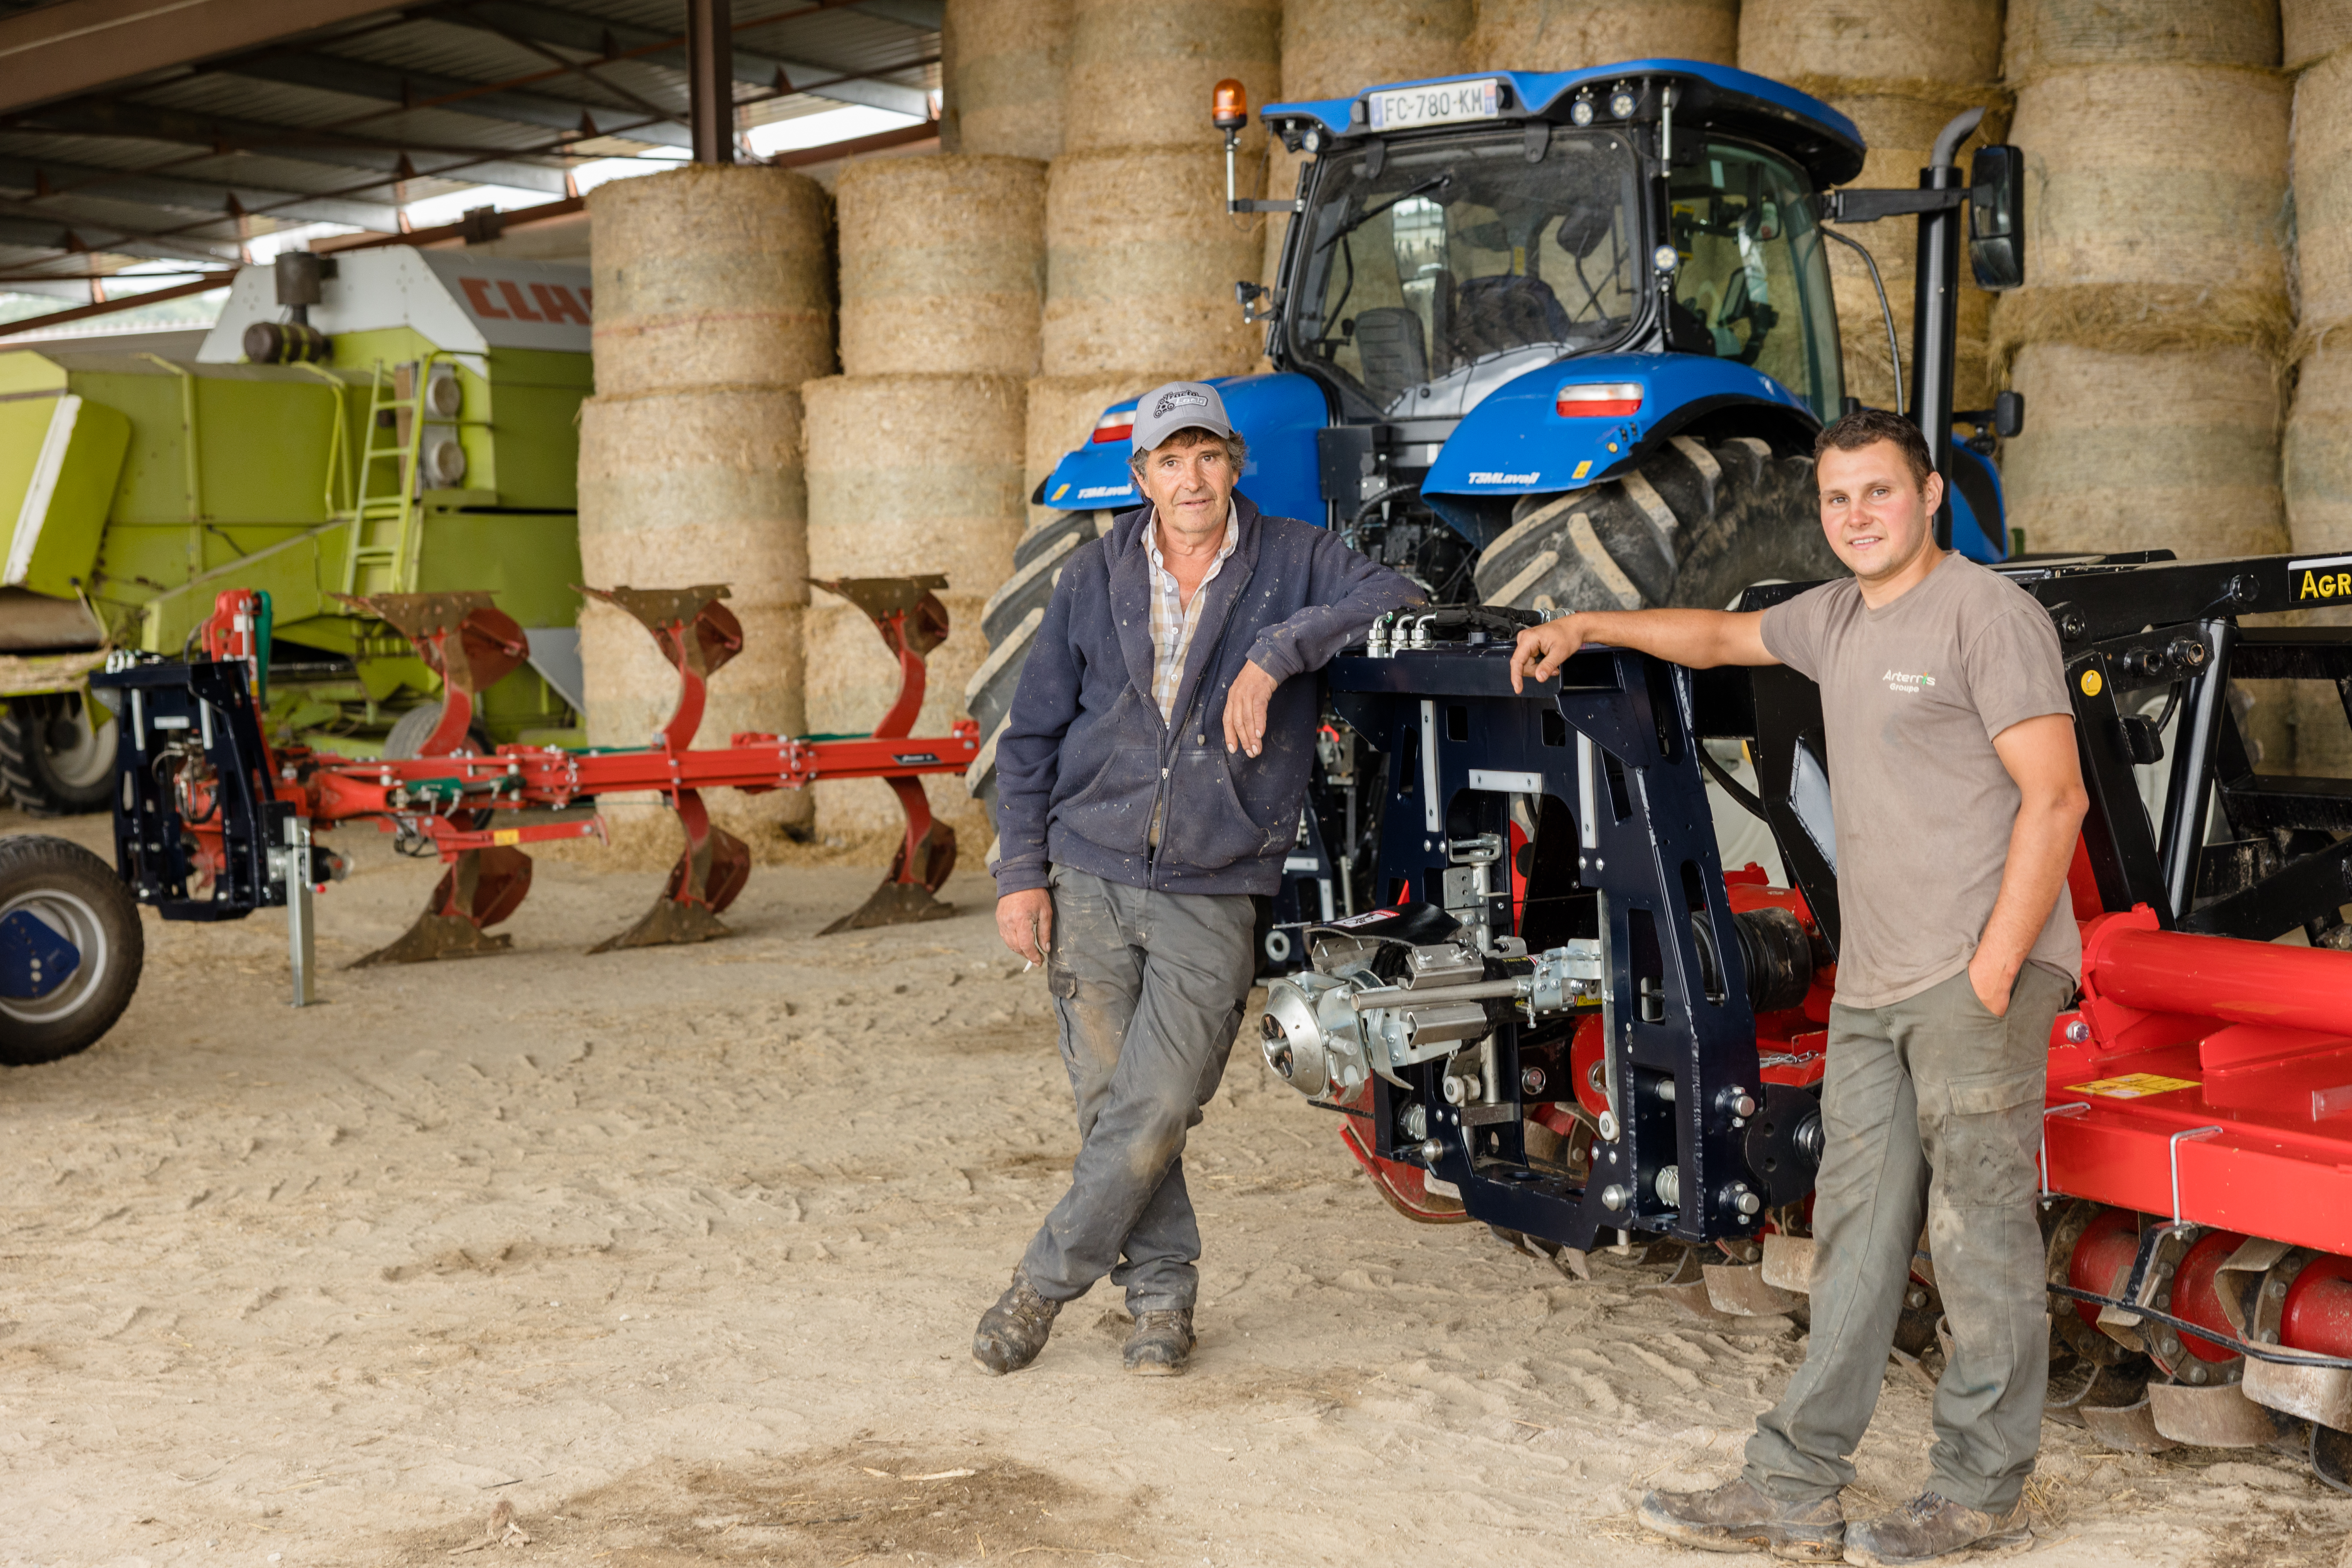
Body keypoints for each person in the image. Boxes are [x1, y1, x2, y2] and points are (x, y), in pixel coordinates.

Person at [1509, 408, 2088, 1567]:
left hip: (1977, 978)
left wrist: (1989, 972)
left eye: (1878, 493)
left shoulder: (1990, 616)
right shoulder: (1836, 617)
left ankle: (1981, 1491)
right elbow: (1718, 642)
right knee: (1856, 1236)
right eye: (1837, 500)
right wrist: (1584, 620)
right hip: (1875, 986)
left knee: (1977, 1239)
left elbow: (2057, 800)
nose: (1857, 517)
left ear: (1929, 497)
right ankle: (1794, 1483)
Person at [975, 381, 1422, 1378]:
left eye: (1208, 455)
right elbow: (1034, 734)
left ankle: (1040, 1287)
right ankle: (1162, 1300)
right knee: (1117, 1112)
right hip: (1087, 873)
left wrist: (1278, 651)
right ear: (1140, 478)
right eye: (1169, 460)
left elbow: (1398, 593)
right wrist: (1020, 873)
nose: (1192, 478)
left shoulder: (1294, 557)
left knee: (1158, 1104)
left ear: (1236, 464)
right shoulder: (1092, 577)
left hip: (1213, 884)